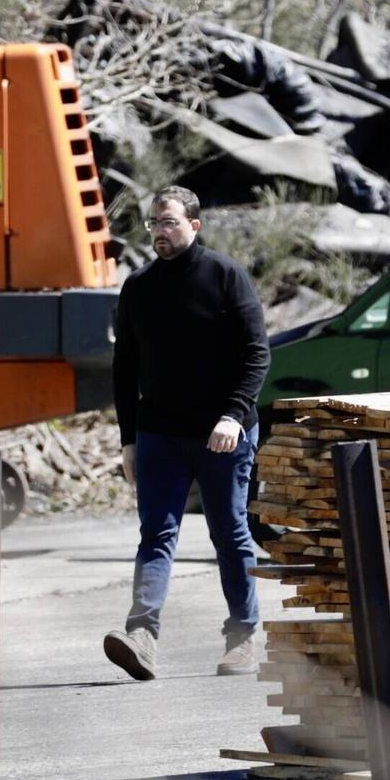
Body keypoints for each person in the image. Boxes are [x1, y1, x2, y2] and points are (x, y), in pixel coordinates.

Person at [104, 185, 271, 681]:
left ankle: (242, 636)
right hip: (159, 433)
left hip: (222, 432)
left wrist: (234, 416)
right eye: (154, 223)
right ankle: (142, 637)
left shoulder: (224, 276)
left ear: (194, 225)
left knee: (229, 532)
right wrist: (129, 439)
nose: (160, 231)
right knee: (155, 535)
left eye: (169, 222)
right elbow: (124, 367)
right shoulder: (139, 287)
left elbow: (256, 353)